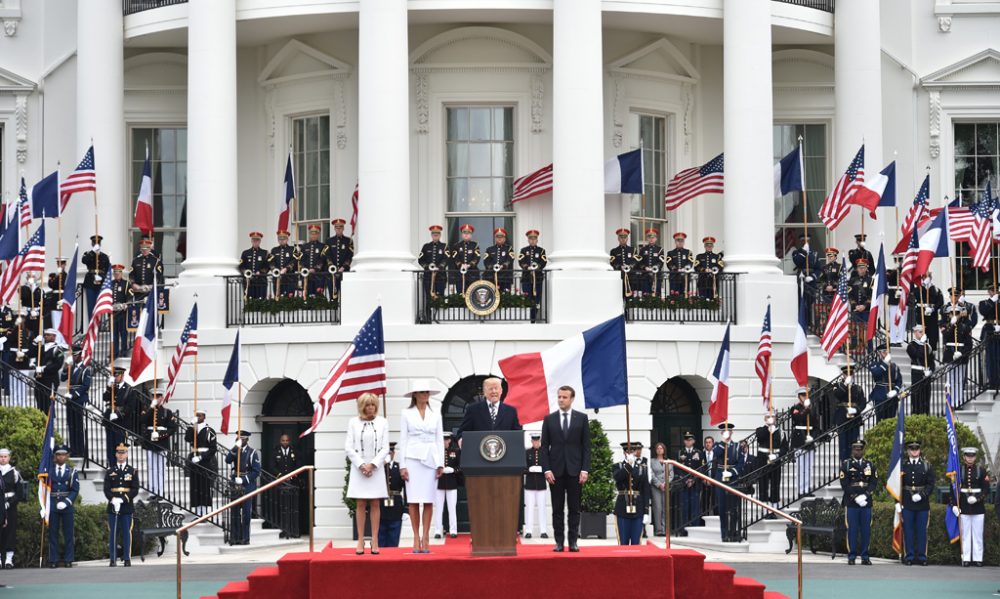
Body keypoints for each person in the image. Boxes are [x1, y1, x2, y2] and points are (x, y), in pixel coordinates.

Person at [539, 386, 591, 553]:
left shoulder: (582, 419)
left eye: (564, 397)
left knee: (574, 509)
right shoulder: (549, 419)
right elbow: (544, 447)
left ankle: (573, 542)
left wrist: (585, 469)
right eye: (559, 397)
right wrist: (546, 469)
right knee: (557, 509)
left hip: (576, 471)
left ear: (572, 399)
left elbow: (586, 447)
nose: (561, 400)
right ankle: (559, 542)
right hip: (555, 472)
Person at [397, 379, 444, 554]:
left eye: (427, 392)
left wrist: (441, 463)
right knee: (414, 500)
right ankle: (416, 537)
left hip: (431, 459)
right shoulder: (406, 413)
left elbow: (439, 439)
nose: (425, 394)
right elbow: (403, 439)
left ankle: (426, 537)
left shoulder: (436, 413)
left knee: (429, 499)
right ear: (415, 395)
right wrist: (402, 465)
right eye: (422, 392)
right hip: (412, 458)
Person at [345, 392, 389, 555]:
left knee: (376, 503)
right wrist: (362, 464)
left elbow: (385, 448)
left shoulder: (383, 422)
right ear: (362, 407)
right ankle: (361, 539)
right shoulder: (353, 423)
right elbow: (348, 447)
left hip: (375, 468)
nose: (371, 408)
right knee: (361, 503)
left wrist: (373, 465)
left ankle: (375, 539)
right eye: (368, 405)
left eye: (373, 405)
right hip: (359, 468)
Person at [951, 447, 989, 567]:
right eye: (968, 455)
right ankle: (966, 558)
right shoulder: (958, 471)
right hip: (964, 507)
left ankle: (978, 559)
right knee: (965, 534)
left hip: (978, 508)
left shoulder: (981, 471)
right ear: (963, 457)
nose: (970, 458)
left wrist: (977, 499)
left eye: (972, 456)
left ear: (975, 457)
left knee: (978, 534)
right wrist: (954, 505)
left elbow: (986, 489)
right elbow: (953, 489)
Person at [839, 440, 875, 565]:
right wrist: (855, 497)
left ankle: (865, 556)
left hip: (866, 502)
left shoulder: (869, 464)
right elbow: (844, 484)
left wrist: (865, 496)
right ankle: (852, 556)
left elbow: (873, 482)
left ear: (863, 450)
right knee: (852, 530)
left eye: (860, 449)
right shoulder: (846, 465)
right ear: (852, 451)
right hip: (851, 502)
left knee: (866, 530)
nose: (858, 451)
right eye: (855, 449)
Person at [104, 442, 139, 567]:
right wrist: (113, 499)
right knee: (113, 533)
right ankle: (112, 559)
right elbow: (106, 489)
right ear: (115, 454)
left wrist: (123, 499)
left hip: (126, 506)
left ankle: (126, 558)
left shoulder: (132, 471)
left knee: (126, 533)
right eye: (119, 452)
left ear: (127, 454)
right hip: (113, 506)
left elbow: (135, 489)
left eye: (123, 452)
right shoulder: (110, 471)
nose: (121, 455)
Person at [900, 440, 934, 566]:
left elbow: (931, 484)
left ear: (919, 450)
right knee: (908, 531)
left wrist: (922, 495)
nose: (914, 451)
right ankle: (908, 556)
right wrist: (898, 502)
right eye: (911, 449)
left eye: (916, 449)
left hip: (922, 503)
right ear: (908, 451)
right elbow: (898, 485)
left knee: (921, 531)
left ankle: (922, 557)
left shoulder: (926, 465)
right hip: (907, 502)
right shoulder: (902, 465)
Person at [226, 430, 261, 545]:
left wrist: (244, 479)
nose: (239, 440)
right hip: (235, 483)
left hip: (247, 485)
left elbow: (256, 471)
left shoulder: (252, 452)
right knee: (235, 512)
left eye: (242, 439)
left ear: (247, 439)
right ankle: (235, 537)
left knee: (246, 513)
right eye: (238, 438)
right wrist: (235, 448)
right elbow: (227, 460)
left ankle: (245, 538)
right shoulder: (236, 450)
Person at [613, 441, 650, 545]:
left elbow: (645, 490)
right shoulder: (618, 466)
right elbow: (617, 477)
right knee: (623, 542)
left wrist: (646, 511)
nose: (631, 453)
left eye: (633, 451)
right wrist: (628, 466)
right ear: (624, 452)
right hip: (622, 507)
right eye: (628, 451)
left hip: (638, 507)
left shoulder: (642, 468)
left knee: (636, 542)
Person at [457, 377, 521, 436]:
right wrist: (461, 439)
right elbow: (462, 433)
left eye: (496, 388)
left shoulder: (511, 411)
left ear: (501, 391)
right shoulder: (473, 410)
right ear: (484, 392)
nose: (494, 391)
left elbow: (517, 434)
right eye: (490, 389)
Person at [48, 445, 79, 568]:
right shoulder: (49, 471)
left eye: (63, 454)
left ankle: (68, 559)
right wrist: (44, 506)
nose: (61, 457)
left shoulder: (71, 471)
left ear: (66, 456)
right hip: (52, 504)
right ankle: (54, 559)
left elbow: (75, 490)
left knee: (68, 533)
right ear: (55, 456)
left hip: (67, 505)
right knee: (53, 533)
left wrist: (66, 502)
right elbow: (45, 489)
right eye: (58, 454)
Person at [141, 392, 176, 499]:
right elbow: (142, 421)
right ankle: (152, 492)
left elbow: (172, 428)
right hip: (150, 441)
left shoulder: (167, 412)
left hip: (162, 442)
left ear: (162, 398)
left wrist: (161, 435)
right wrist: (151, 408)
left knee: (160, 468)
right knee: (151, 468)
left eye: (158, 396)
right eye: (154, 396)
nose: (156, 398)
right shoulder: (148, 410)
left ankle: (160, 492)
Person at [60, 345, 91, 458]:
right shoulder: (71, 368)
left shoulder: (85, 369)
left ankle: (80, 450)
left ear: (80, 355)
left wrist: (73, 395)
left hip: (78, 399)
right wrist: (65, 367)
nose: (74, 357)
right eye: (73, 355)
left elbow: (85, 386)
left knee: (78, 425)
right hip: (70, 398)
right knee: (71, 424)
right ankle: (73, 449)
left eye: (75, 355)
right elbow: (63, 378)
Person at [185, 409, 217, 516]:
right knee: (195, 486)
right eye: (196, 415)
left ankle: (204, 512)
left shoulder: (209, 431)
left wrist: (201, 457)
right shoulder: (193, 428)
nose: (198, 417)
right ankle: (198, 513)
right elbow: (187, 438)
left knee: (204, 486)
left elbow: (213, 449)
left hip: (205, 461)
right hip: (194, 459)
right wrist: (190, 425)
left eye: (200, 415)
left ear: (204, 417)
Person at [754, 413, 787, 515]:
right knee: (763, 484)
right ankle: (764, 510)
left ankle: (774, 509)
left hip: (775, 460)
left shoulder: (781, 432)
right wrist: (768, 427)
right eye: (768, 417)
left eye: (772, 417)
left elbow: (785, 447)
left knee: (775, 484)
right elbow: (760, 437)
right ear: (765, 419)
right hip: (763, 460)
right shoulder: (760, 430)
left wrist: (777, 455)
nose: (770, 419)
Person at [712, 424, 740, 542]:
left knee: (733, 506)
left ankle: (733, 531)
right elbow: (717, 454)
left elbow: (741, 463)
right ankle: (724, 533)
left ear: (732, 433)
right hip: (720, 475)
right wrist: (724, 442)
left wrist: (732, 472)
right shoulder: (718, 445)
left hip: (732, 477)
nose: (727, 434)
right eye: (724, 432)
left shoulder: (737, 446)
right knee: (722, 506)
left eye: (728, 432)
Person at [941, 302, 973, 402]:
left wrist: (961, 353)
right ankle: (950, 402)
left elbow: (969, 344)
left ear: (960, 314)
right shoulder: (946, 326)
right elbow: (945, 337)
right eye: (952, 313)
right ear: (949, 314)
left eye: (957, 313)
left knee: (959, 380)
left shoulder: (965, 327)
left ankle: (958, 401)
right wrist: (951, 325)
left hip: (960, 355)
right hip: (949, 355)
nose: (954, 315)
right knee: (950, 381)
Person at [833, 367, 866, 461]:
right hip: (842, 418)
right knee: (843, 443)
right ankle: (844, 464)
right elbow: (838, 395)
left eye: (850, 374)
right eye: (846, 374)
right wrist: (845, 384)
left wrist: (856, 410)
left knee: (854, 442)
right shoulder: (838, 385)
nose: (849, 375)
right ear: (843, 375)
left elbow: (862, 402)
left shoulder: (858, 388)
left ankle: (854, 463)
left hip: (854, 419)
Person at [432, 431, 461, 539]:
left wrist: (453, 470)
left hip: (451, 483)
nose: (444, 442)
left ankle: (453, 530)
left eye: (446, 439)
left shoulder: (455, 452)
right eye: (442, 439)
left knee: (452, 508)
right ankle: (438, 530)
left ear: (449, 440)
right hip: (439, 483)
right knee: (439, 508)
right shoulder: (436, 453)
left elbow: (460, 467)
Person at [378, 442, 406, 549]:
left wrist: (406, 510)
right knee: (381, 536)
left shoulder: (400, 468)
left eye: (390, 452)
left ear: (394, 453)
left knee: (394, 538)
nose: (389, 454)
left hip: (396, 506)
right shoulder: (379, 468)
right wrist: (383, 464)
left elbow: (406, 488)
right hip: (381, 505)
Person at [101, 366, 131, 464]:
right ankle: (111, 464)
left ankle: (120, 465)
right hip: (109, 419)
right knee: (110, 443)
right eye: (113, 375)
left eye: (116, 375)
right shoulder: (112, 387)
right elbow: (105, 398)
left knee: (119, 444)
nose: (115, 377)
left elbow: (129, 407)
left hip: (120, 421)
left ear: (122, 375)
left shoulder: (128, 389)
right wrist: (109, 387)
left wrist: (118, 414)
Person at [273, 433, 300, 538]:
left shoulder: (295, 451)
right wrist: (282, 476)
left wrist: (291, 476)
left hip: (293, 484)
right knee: (282, 508)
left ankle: (293, 530)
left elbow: (298, 464)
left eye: (287, 440)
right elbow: (272, 466)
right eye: (283, 440)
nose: (285, 442)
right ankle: (283, 530)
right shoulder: (275, 452)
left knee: (293, 508)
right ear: (280, 441)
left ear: (289, 441)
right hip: (280, 484)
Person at [789, 388, 815, 496]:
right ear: (799, 396)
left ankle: (807, 488)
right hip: (799, 438)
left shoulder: (812, 408)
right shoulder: (795, 408)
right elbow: (798, 418)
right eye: (803, 395)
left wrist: (814, 437)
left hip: (809, 436)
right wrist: (805, 410)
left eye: (806, 395)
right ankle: (800, 490)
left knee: (808, 466)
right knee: (800, 467)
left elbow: (816, 422)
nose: (805, 397)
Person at [675, 434, 703, 535]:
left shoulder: (699, 453)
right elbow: (677, 468)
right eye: (686, 440)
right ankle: (684, 529)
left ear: (693, 441)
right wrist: (686, 480)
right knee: (684, 506)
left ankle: (695, 529)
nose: (688, 442)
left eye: (690, 440)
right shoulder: (679, 453)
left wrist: (693, 479)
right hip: (684, 484)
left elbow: (702, 468)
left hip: (695, 484)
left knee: (695, 506)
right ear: (684, 442)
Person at [518, 230, 547, 322]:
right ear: (528, 240)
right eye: (531, 239)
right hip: (526, 278)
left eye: (534, 239)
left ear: (537, 240)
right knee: (527, 298)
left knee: (537, 299)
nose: (533, 240)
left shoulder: (541, 251)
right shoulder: (523, 250)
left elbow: (543, 261)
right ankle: (528, 318)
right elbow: (521, 261)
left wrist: (537, 266)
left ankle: (533, 318)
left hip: (537, 279)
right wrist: (526, 267)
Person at [792, 234, 821, 326]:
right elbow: (797, 261)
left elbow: (819, 269)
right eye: (804, 240)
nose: (806, 242)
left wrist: (813, 276)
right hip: (801, 279)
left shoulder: (815, 254)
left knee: (810, 302)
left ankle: (809, 323)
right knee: (800, 302)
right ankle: (800, 322)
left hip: (810, 281)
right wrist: (804, 252)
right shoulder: (796, 253)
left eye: (807, 240)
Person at [417, 225, 448, 311]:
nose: (435, 235)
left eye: (437, 234)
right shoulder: (426, 247)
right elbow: (420, 260)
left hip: (440, 276)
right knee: (428, 297)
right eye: (434, 234)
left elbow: (446, 258)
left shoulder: (444, 246)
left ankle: (439, 318)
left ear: (440, 235)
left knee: (439, 296)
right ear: (431, 235)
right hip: (428, 276)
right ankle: (428, 318)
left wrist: (440, 267)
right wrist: (427, 267)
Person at [33, 328, 64, 415]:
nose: (45, 336)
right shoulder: (41, 347)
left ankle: (48, 426)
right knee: (39, 402)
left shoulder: (58, 349)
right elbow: (30, 354)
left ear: (54, 336)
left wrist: (44, 369)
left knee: (48, 404)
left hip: (50, 380)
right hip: (39, 379)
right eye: (45, 335)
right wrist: (34, 342)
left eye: (48, 335)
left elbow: (58, 365)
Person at [523, 433, 548, 539]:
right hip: (530, 485)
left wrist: (542, 469)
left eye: (537, 441)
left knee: (542, 508)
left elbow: (548, 466)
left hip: (541, 484)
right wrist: (529, 469)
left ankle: (543, 531)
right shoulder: (527, 452)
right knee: (529, 508)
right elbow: (522, 467)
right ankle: (528, 531)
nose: (536, 443)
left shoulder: (544, 452)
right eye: (534, 441)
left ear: (540, 441)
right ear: (531, 441)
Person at [906, 325, 935, 415]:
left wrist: (930, 371)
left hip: (926, 374)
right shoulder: (911, 345)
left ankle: (926, 416)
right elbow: (918, 355)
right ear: (915, 333)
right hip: (917, 374)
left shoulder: (927, 346)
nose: (922, 334)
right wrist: (922, 344)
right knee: (917, 397)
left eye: (923, 332)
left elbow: (931, 361)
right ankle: (916, 416)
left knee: (926, 398)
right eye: (920, 332)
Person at [0, 449, 22, 568]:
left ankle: (9, 559)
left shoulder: (14, 472)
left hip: (10, 505)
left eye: (5, 456)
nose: (3, 459)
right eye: (1, 457)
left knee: (10, 531)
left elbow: (18, 492)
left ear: (9, 458)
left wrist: (10, 503)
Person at [867, 347, 902, 422]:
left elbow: (899, 380)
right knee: (880, 421)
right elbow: (877, 373)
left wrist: (895, 390)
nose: (886, 353)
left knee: (891, 420)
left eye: (887, 352)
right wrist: (885, 363)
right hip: (880, 396)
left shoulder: (894, 366)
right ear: (879, 353)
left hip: (892, 396)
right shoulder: (874, 365)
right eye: (883, 352)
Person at [910, 274, 943, 350]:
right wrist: (923, 286)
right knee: (921, 333)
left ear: (930, 278)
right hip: (921, 314)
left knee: (932, 334)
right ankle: (921, 351)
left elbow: (940, 302)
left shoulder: (936, 289)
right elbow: (913, 297)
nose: (925, 279)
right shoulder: (919, 289)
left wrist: (933, 308)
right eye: (924, 277)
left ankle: (932, 351)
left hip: (932, 314)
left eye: (927, 277)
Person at [81, 234, 111, 319]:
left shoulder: (104, 256)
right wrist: (93, 252)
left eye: (97, 243)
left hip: (101, 283)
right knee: (91, 306)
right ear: (92, 244)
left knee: (99, 305)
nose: (96, 244)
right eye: (94, 243)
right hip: (90, 282)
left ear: (100, 244)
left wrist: (102, 277)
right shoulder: (88, 254)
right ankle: (91, 326)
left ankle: (99, 326)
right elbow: (84, 261)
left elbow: (107, 269)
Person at [324, 218, 353, 297]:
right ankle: (333, 308)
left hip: (344, 271)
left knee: (345, 296)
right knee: (333, 295)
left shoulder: (348, 241)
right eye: (337, 228)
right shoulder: (329, 241)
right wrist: (331, 266)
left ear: (343, 228)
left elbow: (350, 256)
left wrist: (343, 267)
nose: (338, 229)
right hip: (332, 272)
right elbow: (327, 255)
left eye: (340, 227)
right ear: (334, 229)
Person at [298, 224, 329, 298]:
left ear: (318, 235)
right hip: (307, 276)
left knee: (318, 296)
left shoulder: (323, 246)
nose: (313, 235)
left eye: (315, 234)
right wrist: (305, 269)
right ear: (309, 234)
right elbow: (301, 260)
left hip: (319, 276)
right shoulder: (304, 247)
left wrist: (315, 269)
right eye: (312, 233)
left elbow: (323, 259)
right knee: (307, 295)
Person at [979, 286, 1000, 392]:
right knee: (990, 358)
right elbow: (983, 311)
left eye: (996, 290)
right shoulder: (984, 303)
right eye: (992, 290)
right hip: (989, 330)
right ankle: (992, 381)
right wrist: (992, 301)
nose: (994, 292)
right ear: (989, 292)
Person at [449, 224, 480, 294]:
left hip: (472, 274)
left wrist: (469, 265)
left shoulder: (475, 245)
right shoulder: (457, 245)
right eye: (464, 233)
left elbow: (477, 257)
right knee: (461, 292)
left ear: (471, 234)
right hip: (460, 274)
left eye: (468, 233)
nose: (466, 235)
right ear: (462, 234)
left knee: (472, 293)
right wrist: (461, 265)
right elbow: (454, 258)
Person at [240, 231, 270, 300]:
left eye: (257, 240)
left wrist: (260, 272)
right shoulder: (245, 253)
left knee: (261, 301)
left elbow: (267, 266)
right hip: (249, 281)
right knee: (250, 300)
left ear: (260, 241)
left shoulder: (265, 253)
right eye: (253, 240)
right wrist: (245, 272)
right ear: (251, 241)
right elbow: (241, 266)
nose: (255, 242)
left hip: (261, 281)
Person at [483, 228, 514, 293]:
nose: (499, 238)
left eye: (501, 237)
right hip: (491, 277)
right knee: (492, 296)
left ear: (504, 238)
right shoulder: (489, 249)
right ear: (495, 238)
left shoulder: (509, 249)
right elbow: (486, 261)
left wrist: (503, 266)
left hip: (505, 277)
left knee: (505, 297)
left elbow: (510, 260)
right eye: (497, 237)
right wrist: (492, 266)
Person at [636, 229, 665, 297]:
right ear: (647, 238)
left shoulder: (660, 249)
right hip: (645, 276)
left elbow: (661, 261)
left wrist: (655, 267)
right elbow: (639, 261)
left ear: (656, 238)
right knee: (645, 294)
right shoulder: (643, 249)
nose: (651, 239)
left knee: (656, 294)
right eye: (649, 237)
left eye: (653, 237)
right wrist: (644, 267)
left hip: (656, 276)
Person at [609, 228, 637, 298]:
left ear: (627, 238)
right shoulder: (614, 251)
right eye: (621, 237)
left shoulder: (633, 250)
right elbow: (613, 262)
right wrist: (619, 267)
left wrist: (630, 266)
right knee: (619, 296)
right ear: (618, 238)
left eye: (625, 237)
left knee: (631, 298)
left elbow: (635, 260)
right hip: (619, 277)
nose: (623, 239)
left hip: (631, 277)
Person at [110, 264, 130, 357]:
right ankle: (115, 352)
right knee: (114, 334)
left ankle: (124, 351)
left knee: (123, 333)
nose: (116, 274)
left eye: (118, 272)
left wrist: (126, 304)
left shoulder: (126, 284)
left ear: (121, 273)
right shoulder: (110, 283)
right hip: (113, 312)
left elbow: (130, 296)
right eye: (115, 272)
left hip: (122, 312)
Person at [649, 442, 668, 537]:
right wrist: (659, 484)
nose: (660, 450)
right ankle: (659, 529)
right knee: (658, 508)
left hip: (666, 487)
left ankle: (665, 529)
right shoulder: (652, 461)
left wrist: (666, 483)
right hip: (656, 487)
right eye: (658, 448)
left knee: (665, 508)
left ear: (664, 450)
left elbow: (671, 474)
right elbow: (651, 474)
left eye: (661, 448)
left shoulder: (668, 461)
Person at [666, 232, 693, 296]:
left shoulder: (688, 252)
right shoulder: (670, 253)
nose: (680, 242)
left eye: (682, 241)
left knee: (685, 295)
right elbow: (669, 263)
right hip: (674, 277)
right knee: (674, 295)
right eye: (678, 241)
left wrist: (685, 268)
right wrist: (676, 269)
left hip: (685, 277)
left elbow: (690, 262)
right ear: (675, 242)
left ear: (684, 242)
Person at [848, 259, 872, 324]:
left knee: (866, 329)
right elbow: (850, 295)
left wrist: (864, 306)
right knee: (855, 330)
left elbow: (871, 295)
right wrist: (855, 305)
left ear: (866, 268)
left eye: (863, 267)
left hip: (866, 310)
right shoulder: (852, 281)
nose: (861, 269)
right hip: (855, 310)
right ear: (857, 269)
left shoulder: (871, 280)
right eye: (859, 267)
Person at [702, 435, 716, 517]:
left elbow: (719, 468)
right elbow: (699, 468)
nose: (708, 444)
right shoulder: (701, 454)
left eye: (709, 442)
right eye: (706, 442)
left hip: (715, 482)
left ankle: (717, 521)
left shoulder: (717, 454)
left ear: (713, 443)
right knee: (705, 503)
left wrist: (714, 480)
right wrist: (704, 479)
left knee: (715, 503)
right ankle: (704, 522)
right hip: (705, 483)